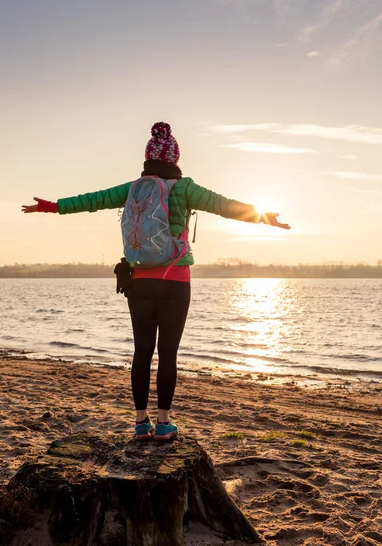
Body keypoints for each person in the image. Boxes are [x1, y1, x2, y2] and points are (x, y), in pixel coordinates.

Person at [22, 121, 290, 441]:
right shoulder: (185, 187)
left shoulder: (134, 188)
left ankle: (139, 423)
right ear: (175, 159)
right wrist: (263, 216)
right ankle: (163, 423)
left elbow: (92, 200)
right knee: (168, 353)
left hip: (139, 281)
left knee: (142, 351)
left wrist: (49, 207)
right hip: (175, 279)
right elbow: (223, 205)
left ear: (148, 159)